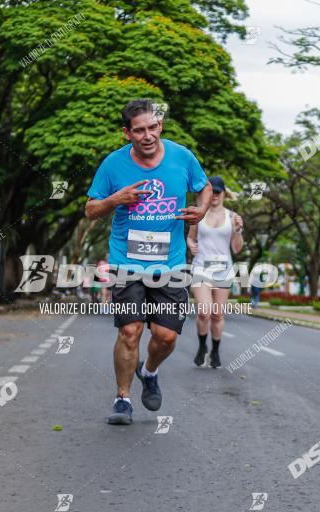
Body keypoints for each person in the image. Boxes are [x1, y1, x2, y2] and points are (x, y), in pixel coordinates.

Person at [85, 99, 210, 425]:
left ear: (160, 127)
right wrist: (116, 199)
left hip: (170, 263)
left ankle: (149, 371)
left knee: (166, 337)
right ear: (127, 133)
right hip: (127, 260)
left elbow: (205, 187)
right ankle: (122, 399)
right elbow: (90, 209)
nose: (147, 135)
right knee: (130, 331)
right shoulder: (112, 165)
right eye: (138, 130)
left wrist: (202, 210)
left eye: (152, 127)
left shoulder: (182, 157)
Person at [187, 176, 243, 368]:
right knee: (204, 312)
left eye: (218, 192)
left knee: (217, 315)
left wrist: (237, 231)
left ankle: (216, 351)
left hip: (223, 270)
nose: (215, 196)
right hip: (201, 267)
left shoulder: (232, 217)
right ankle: (203, 346)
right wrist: (191, 246)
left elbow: (236, 249)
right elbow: (190, 238)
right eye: (213, 192)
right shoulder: (199, 214)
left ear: (224, 194)